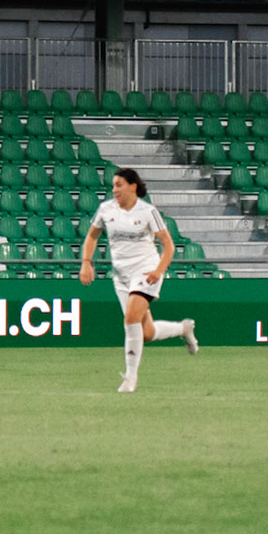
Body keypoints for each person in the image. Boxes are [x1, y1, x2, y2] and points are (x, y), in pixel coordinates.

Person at [79, 167, 197, 392]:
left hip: (146, 271)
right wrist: (86, 261)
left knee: (131, 317)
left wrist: (158, 270)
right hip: (121, 275)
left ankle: (130, 377)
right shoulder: (105, 209)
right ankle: (183, 328)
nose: (115, 190)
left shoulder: (147, 211)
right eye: (113, 185)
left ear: (133, 186)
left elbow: (168, 245)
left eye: (119, 184)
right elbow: (92, 236)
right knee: (146, 333)